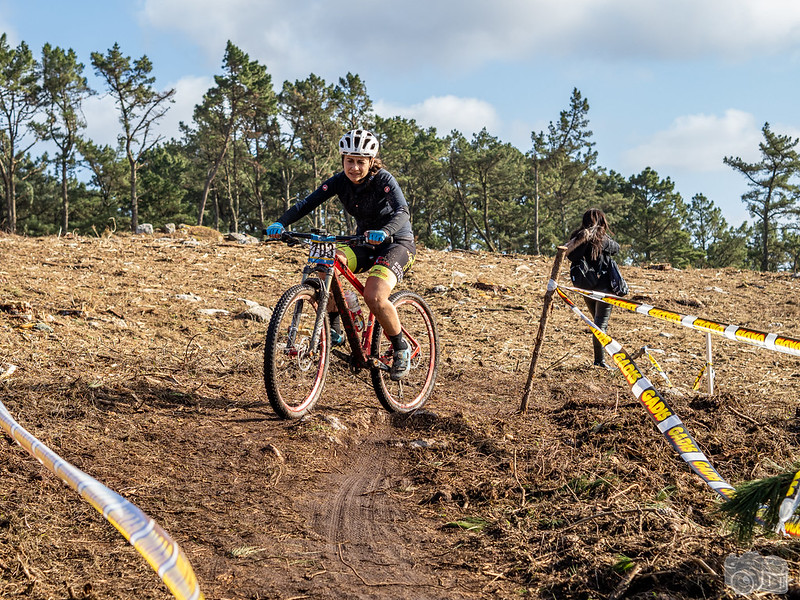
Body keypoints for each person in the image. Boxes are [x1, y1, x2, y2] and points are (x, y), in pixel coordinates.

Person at [265, 129, 415, 381]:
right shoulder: (339, 181)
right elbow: (307, 203)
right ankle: (336, 326)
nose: (354, 167)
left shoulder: (384, 180)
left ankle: (401, 347)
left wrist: (385, 231)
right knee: (325, 263)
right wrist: (281, 223)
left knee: (374, 296)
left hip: (396, 243)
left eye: (360, 162)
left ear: (370, 162)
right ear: (343, 160)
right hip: (363, 242)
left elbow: (402, 212)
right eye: (349, 161)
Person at [566, 208, 620, 369]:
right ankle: (599, 362)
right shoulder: (601, 238)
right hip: (604, 289)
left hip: (587, 287)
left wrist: (582, 239)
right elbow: (616, 248)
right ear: (602, 221)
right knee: (600, 325)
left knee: (597, 324)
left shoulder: (579, 237)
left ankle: (599, 360)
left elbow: (570, 255)